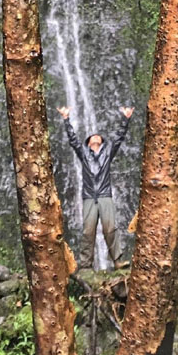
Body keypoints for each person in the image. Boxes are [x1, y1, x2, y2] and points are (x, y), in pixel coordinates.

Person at [57, 104, 134, 270]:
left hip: (105, 195)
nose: (95, 137)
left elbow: (119, 138)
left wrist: (126, 119)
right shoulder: (84, 154)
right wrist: (66, 119)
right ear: (89, 143)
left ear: (102, 142)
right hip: (89, 196)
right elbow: (73, 141)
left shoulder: (108, 152)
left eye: (98, 136)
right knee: (88, 231)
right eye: (92, 137)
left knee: (110, 229)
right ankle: (85, 263)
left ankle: (118, 260)